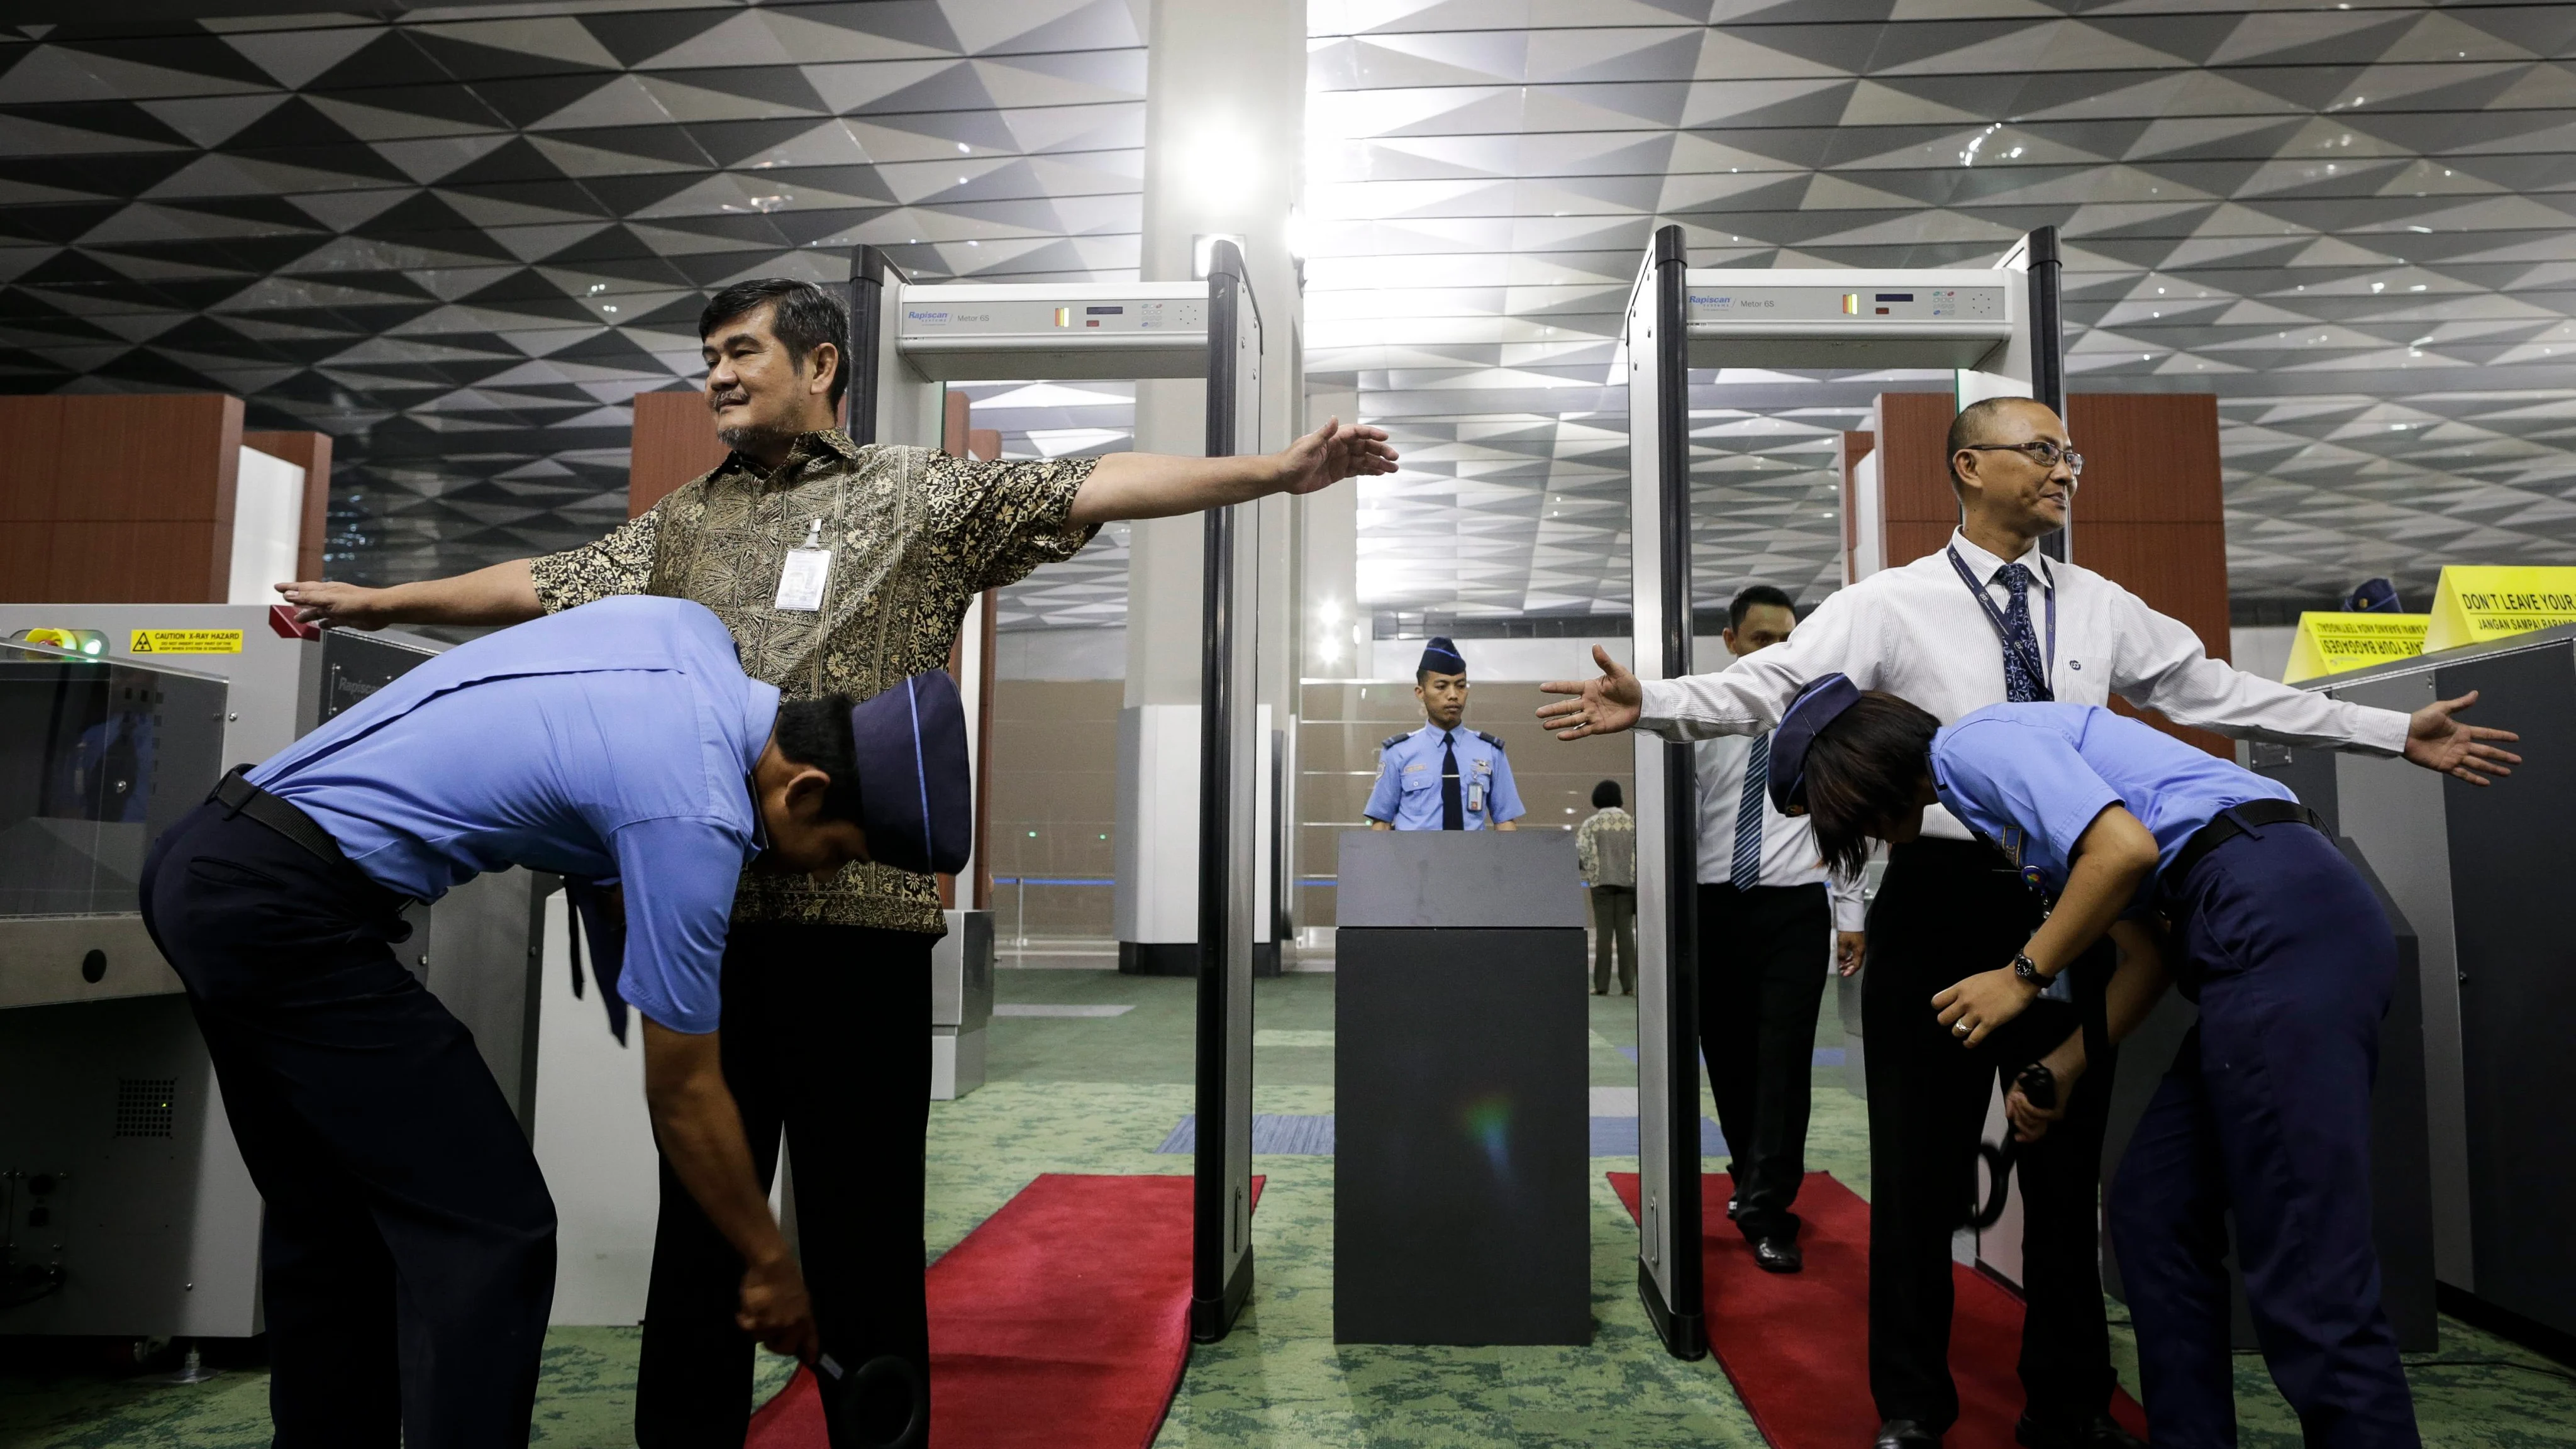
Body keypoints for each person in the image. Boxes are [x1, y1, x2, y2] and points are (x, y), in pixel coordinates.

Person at [275, 277, 1396, 1446]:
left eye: (740, 350)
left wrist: (1272, 471)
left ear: (820, 365)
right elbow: (543, 584)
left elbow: (1096, 479)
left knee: (862, 1225)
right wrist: (381, 598)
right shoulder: (683, 521)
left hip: (864, 926)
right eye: (707, 353)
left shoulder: (920, 494)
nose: (715, 372)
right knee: (700, 1228)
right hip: (705, 918)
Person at [1535, 395, 2516, 1449]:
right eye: (2040, 451)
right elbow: (1776, 684)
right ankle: (1913, 1407)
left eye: (2069, 452)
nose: (2064, 470)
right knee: (1917, 1168)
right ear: (1968, 465)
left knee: (2068, 1161)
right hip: (1945, 889)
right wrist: (1657, 703)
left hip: (2080, 889)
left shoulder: (2095, 601)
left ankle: (2072, 1398)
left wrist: (2380, 728)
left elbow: (2211, 687)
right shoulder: (1892, 601)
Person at [136, 594, 970, 1448]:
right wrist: (767, 1263)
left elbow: (570, 741)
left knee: (333, 1221)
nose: (824, 876)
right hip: (287, 914)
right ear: (807, 789)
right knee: (492, 1230)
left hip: (206, 861)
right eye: (837, 852)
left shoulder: (689, 634)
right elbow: (683, 1091)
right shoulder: (696, 818)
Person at [1775, 677, 2438, 1449]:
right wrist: (2064, 1063)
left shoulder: (1970, 746)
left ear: (1861, 778)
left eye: (1849, 818)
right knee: (2153, 1210)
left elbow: (2126, 852)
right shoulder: (1991, 804)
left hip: (2272, 909)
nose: (1877, 840)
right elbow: (2146, 955)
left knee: (2304, 1257)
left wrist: (2018, 977)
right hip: (2235, 929)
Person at [1691, 584, 1866, 1274]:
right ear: (1731, 642)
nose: (1779, 651)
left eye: (1788, 639)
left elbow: (1845, 815)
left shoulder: (1819, 719)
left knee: (1783, 1062)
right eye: (1763, 639)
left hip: (1793, 909)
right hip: (1713, 907)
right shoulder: (1702, 714)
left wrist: (1849, 911)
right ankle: (1747, 1178)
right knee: (1730, 1059)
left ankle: (1769, 1208)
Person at [1365, 636, 1524, 831]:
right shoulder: (1398, 752)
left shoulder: (1490, 751)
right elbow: (1381, 822)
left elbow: (1505, 821)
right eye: (1441, 687)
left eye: (1461, 685)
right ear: (1420, 692)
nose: (1453, 695)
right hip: (1412, 860)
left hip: (1472, 861)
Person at [1574, 779, 1636, 994]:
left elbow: (1582, 853)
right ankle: (1629, 985)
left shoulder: (1591, 824)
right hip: (1628, 884)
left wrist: (1586, 873)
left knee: (1604, 934)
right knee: (1626, 934)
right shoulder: (1631, 823)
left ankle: (1601, 985)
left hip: (1601, 883)